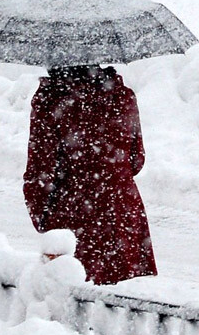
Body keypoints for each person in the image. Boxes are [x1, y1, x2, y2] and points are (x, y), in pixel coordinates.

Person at [22, 65, 158, 285]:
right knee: (127, 303)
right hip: (123, 212)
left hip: (74, 212)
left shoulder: (51, 100)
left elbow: (41, 171)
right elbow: (136, 160)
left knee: (75, 298)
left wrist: (44, 218)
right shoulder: (122, 96)